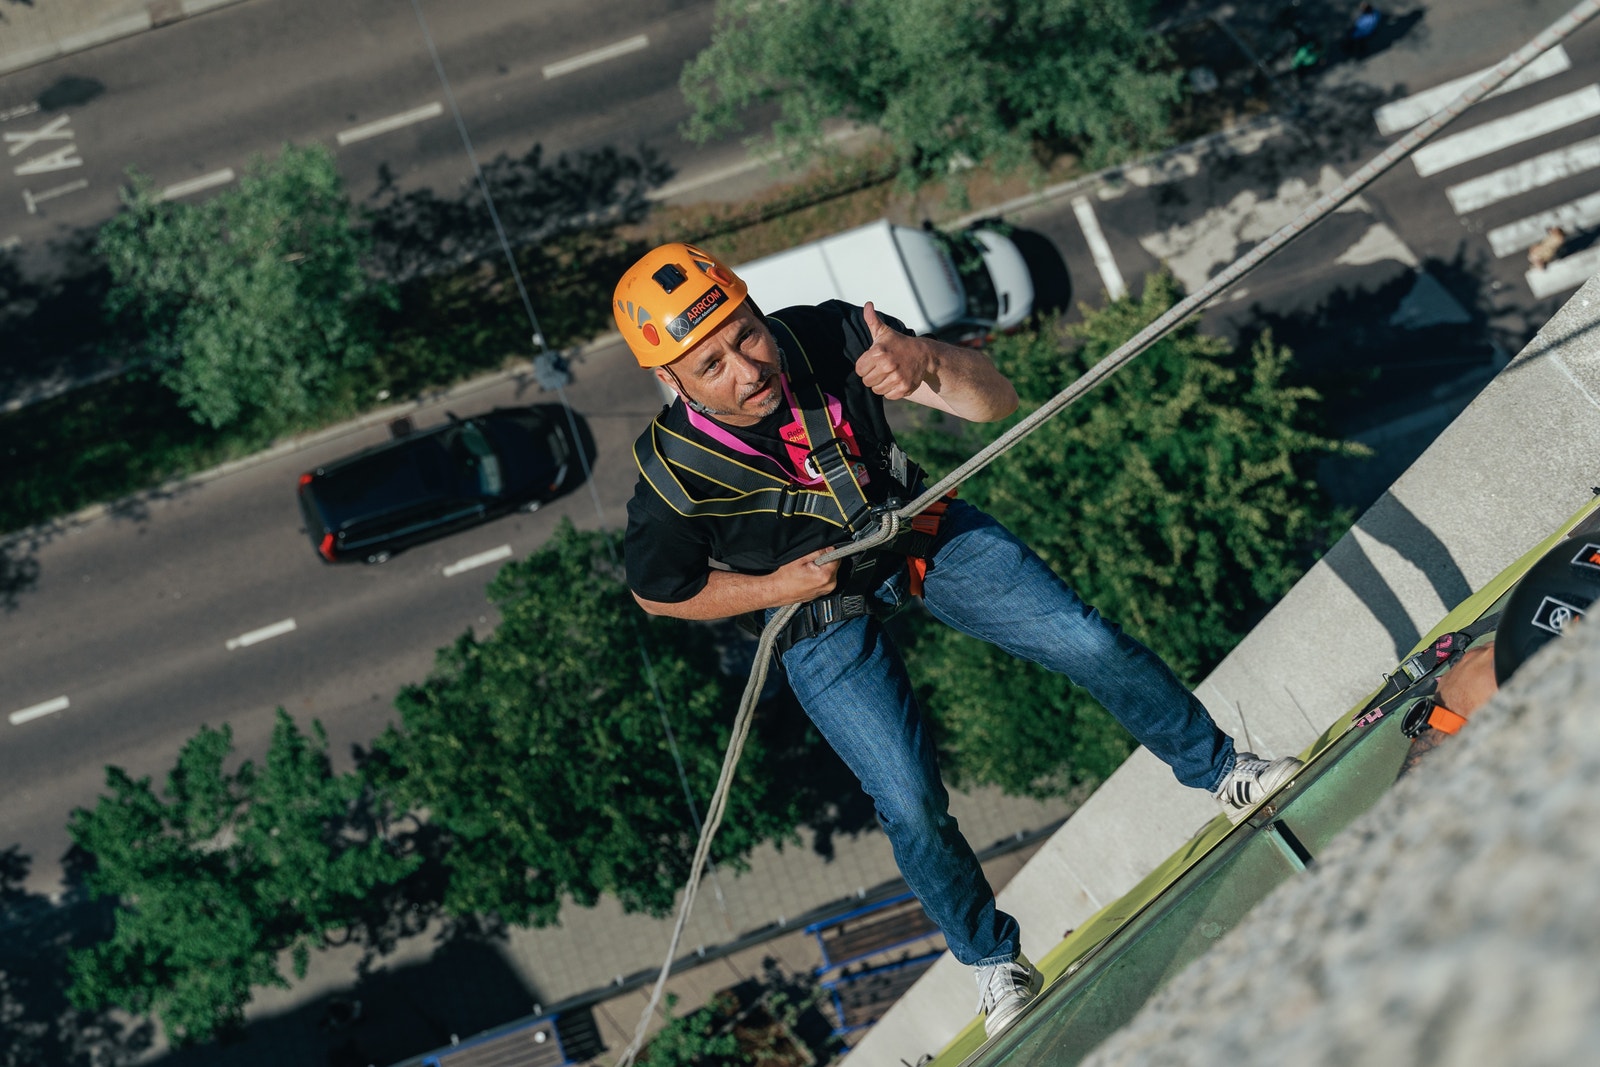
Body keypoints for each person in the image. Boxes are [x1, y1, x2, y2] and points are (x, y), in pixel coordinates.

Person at [615, 242, 1303, 1038]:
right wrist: (777, 588)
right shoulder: (672, 477)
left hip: (916, 528)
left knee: (1083, 638)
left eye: (746, 335)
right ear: (671, 382)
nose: (746, 368)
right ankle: (991, 959)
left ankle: (1223, 770)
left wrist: (925, 361)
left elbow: (993, 402)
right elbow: (660, 593)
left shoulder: (833, 336)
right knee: (908, 798)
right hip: (815, 605)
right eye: (712, 366)